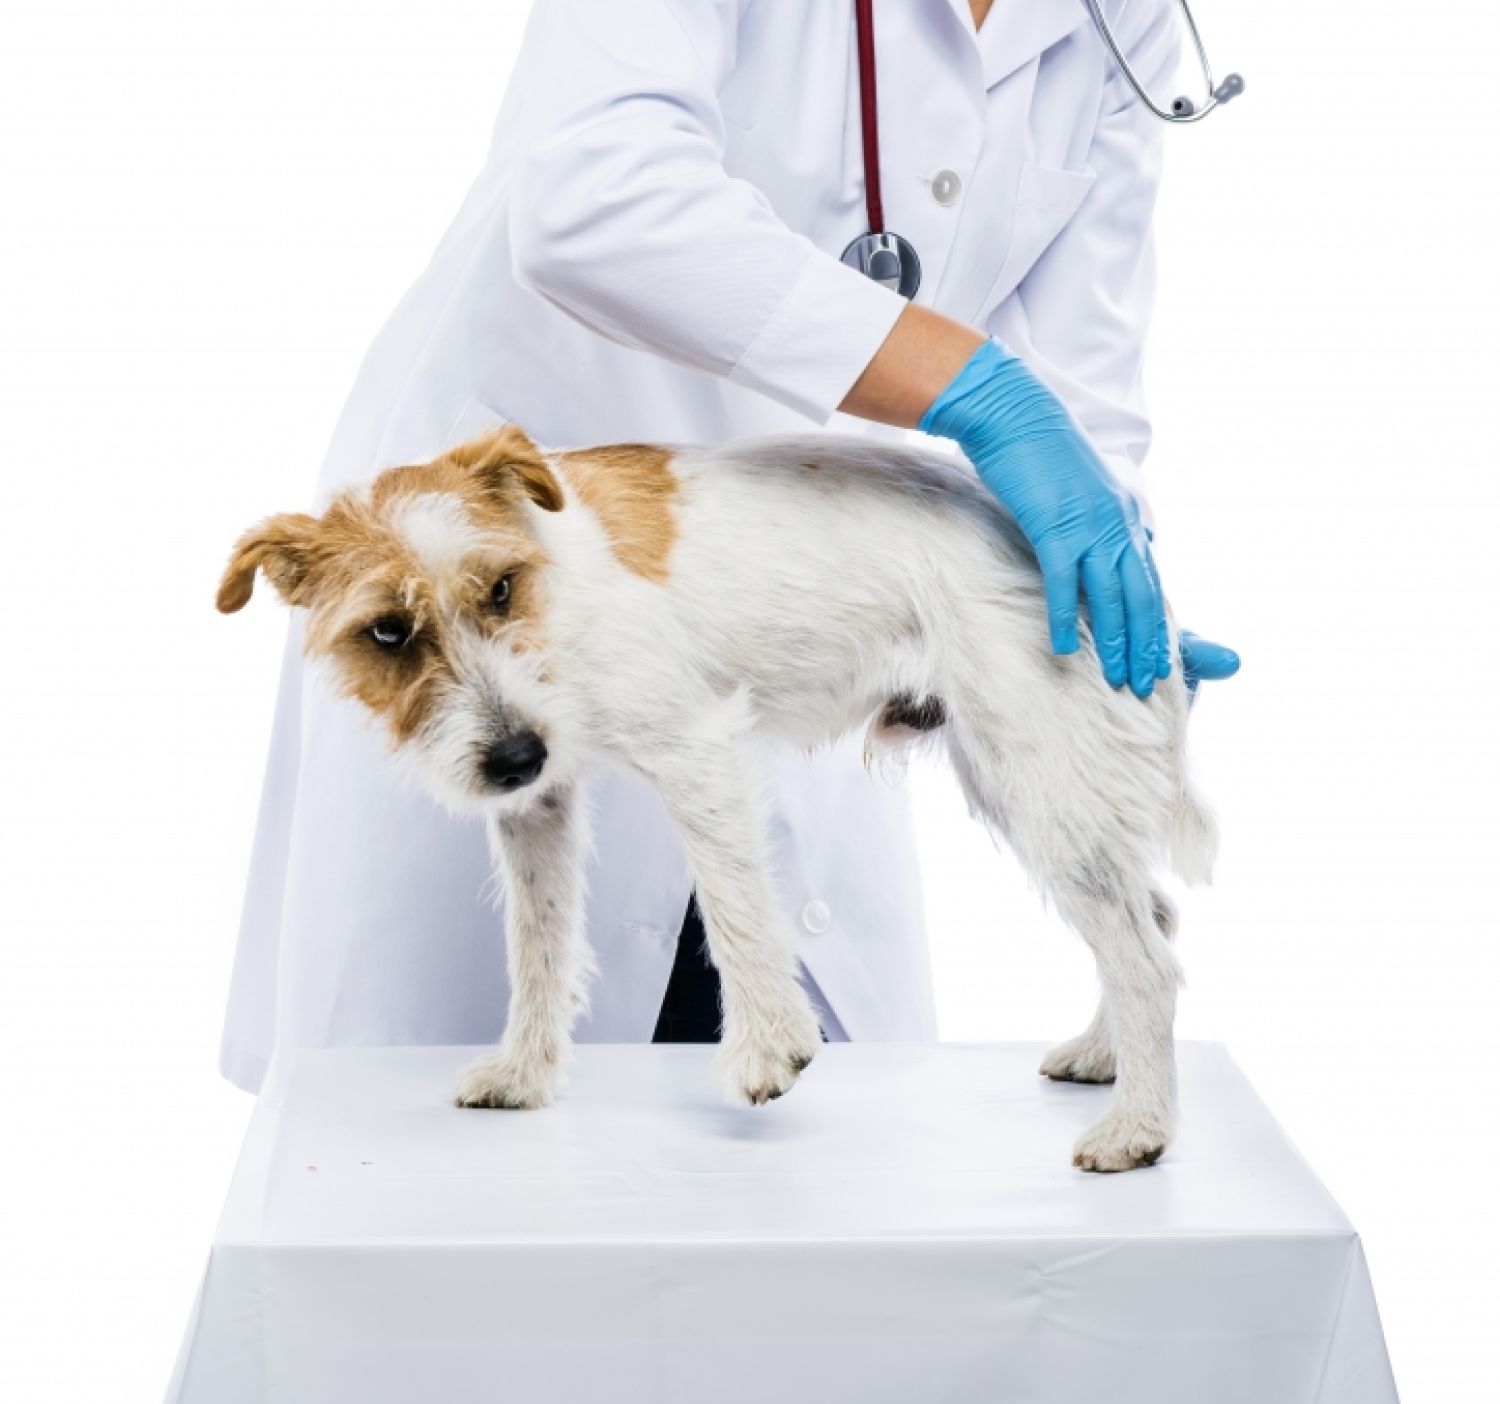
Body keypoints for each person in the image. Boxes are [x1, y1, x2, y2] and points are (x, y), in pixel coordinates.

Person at [220, 0, 1239, 1092]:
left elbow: (1085, 366)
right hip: (518, 554)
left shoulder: (1120, 14)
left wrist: (1102, 561)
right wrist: (968, 383)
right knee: (466, 1207)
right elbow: (594, 195)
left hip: (821, 576)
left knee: (819, 1195)